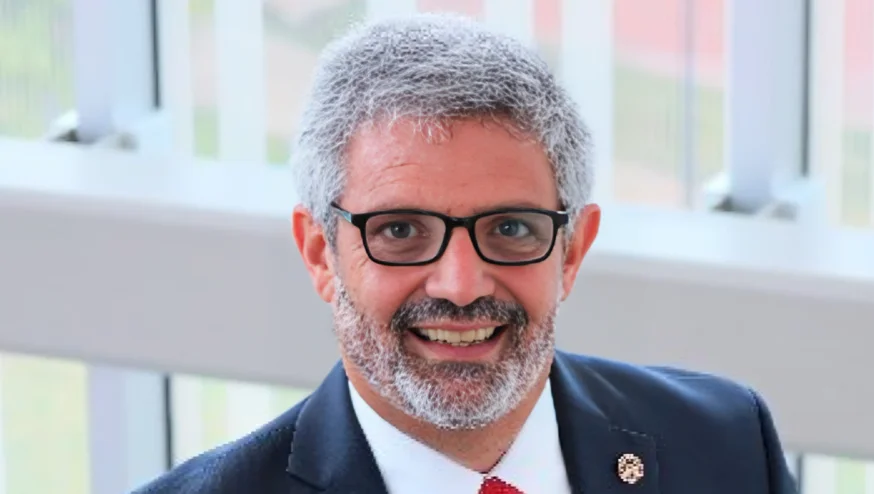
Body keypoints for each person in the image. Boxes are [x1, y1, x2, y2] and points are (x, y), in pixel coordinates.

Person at [134, 13, 797, 494]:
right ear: (320, 253)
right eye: (400, 231)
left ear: (571, 251)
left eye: (509, 228)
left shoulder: (726, 444)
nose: (459, 284)